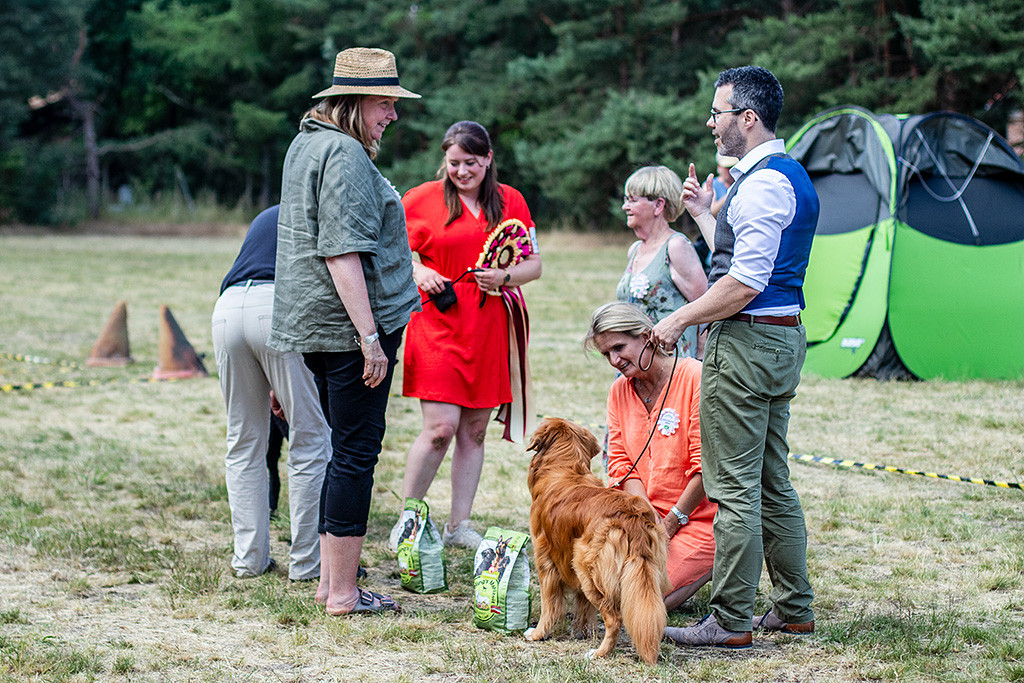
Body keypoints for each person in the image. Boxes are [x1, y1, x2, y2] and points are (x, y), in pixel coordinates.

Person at [652, 66, 819, 648]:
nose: (711, 121)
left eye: (718, 112)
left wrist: (675, 320)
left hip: (747, 340)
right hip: (781, 337)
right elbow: (748, 245)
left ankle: (729, 620)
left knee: (734, 485)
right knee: (773, 478)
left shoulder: (762, 184)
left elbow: (744, 281)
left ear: (747, 119)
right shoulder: (784, 176)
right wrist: (704, 214)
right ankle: (794, 607)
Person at [269, 47, 420, 615]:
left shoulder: (305, 143)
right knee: (356, 454)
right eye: (386, 103)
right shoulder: (347, 154)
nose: (393, 115)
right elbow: (341, 250)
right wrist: (369, 338)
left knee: (341, 451)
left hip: (312, 327)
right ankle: (341, 591)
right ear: (356, 102)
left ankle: (330, 581)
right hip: (346, 329)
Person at [393, 120, 542, 549]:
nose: (461, 171)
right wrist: (419, 270)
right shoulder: (420, 199)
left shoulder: (510, 200)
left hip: (489, 325)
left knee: (474, 431)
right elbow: (392, 254)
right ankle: (409, 519)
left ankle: (459, 525)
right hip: (437, 324)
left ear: (488, 159)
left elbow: (534, 264)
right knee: (440, 428)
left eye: (471, 162)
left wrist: (505, 275)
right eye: (454, 163)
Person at [211, 204, 330, 581]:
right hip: (276, 307)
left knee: (244, 442)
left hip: (227, 309)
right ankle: (308, 564)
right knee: (311, 440)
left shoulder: (268, 214)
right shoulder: (324, 214)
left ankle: (249, 560)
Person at [584, 302, 716, 610]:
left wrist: (669, 525)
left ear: (646, 336)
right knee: (598, 587)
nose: (615, 361)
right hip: (642, 517)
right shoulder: (619, 391)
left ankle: (715, 558)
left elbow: (707, 466)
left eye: (619, 347)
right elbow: (620, 465)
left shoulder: (695, 377)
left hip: (698, 517)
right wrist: (646, 516)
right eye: (606, 354)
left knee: (637, 602)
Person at [616, 166, 708, 359]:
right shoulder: (634, 250)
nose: (625, 207)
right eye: (626, 200)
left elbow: (705, 308)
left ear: (658, 205)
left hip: (672, 362)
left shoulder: (676, 246)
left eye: (632, 200)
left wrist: (701, 359)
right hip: (635, 361)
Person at [710, 151, 739, 218]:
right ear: (719, 167)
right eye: (727, 167)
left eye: (733, 166)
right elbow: (711, 212)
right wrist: (731, 192)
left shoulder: (741, 183)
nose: (730, 170)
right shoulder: (711, 185)